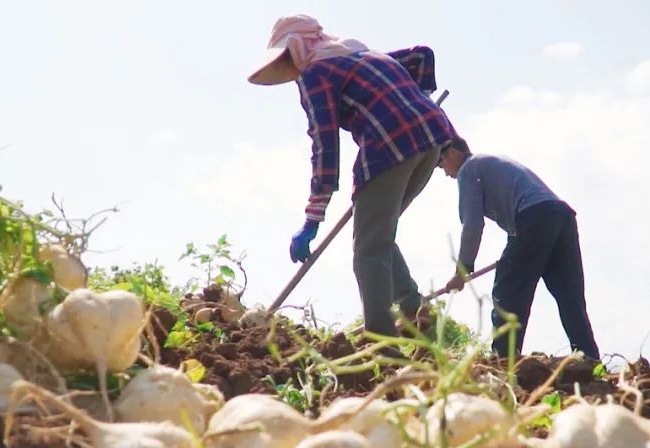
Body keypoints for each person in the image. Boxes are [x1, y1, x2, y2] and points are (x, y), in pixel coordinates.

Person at [247, 15, 456, 338]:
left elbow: (324, 144)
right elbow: (421, 55)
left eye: (287, 56)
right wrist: (421, 99)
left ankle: (381, 342)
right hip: (431, 137)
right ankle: (415, 311)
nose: (289, 68)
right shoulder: (358, 54)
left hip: (390, 146)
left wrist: (313, 217)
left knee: (367, 251)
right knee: (378, 236)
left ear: (300, 47)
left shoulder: (316, 72)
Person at [438, 137, 599, 360]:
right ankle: (589, 359)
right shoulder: (489, 163)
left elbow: (473, 224)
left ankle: (504, 361)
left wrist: (462, 270)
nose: (444, 172)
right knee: (569, 297)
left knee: (508, 291)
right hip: (561, 216)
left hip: (535, 217)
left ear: (453, 152)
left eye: (441, 162)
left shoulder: (468, 169)